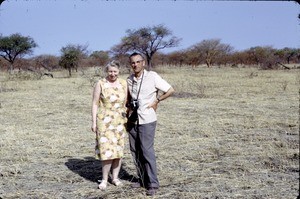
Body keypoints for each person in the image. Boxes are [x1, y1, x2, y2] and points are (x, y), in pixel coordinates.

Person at [126, 52, 175, 196]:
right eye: (133, 62)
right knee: (135, 151)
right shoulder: (129, 79)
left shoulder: (152, 76)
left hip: (147, 119)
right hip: (132, 119)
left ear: (143, 63)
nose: (135, 65)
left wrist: (157, 101)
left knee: (147, 151)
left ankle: (153, 183)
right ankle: (142, 179)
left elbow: (170, 90)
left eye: (138, 62)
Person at [91, 60, 127, 190]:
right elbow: (95, 103)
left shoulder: (124, 83)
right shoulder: (100, 83)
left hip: (119, 121)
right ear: (107, 71)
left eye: (115, 71)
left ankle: (115, 178)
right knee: (106, 151)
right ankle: (105, 179)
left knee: (118, 151)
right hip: (104, 121)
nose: (112, 74)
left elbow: (126, 103)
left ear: (119, 71)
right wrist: (94, 122)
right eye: (110, 71)